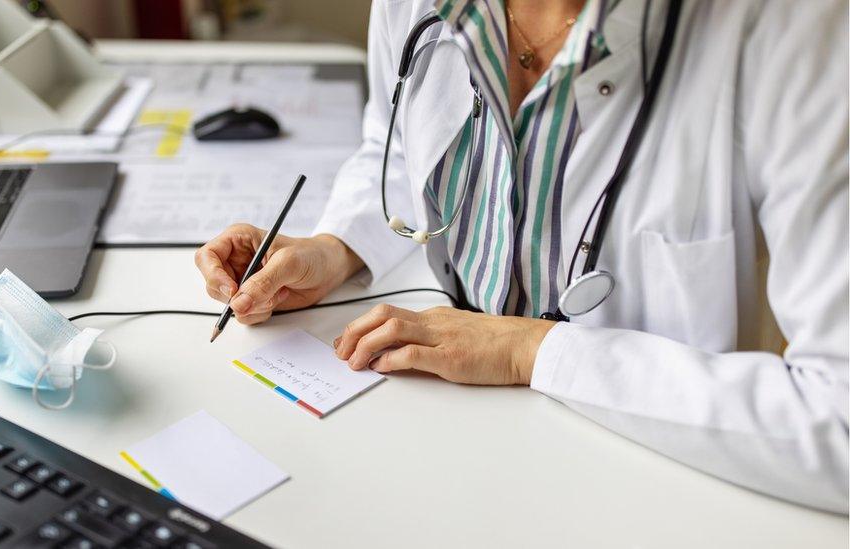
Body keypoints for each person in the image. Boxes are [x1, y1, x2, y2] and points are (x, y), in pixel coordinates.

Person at [196, 0, 849, 513]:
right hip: (436, 445)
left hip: (644, 479)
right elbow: (395, 142)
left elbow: (839, 424)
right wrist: (338, 246)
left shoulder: (801, 31)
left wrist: (529, 351)